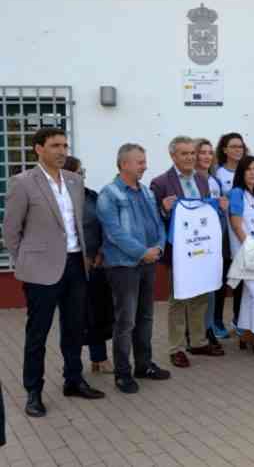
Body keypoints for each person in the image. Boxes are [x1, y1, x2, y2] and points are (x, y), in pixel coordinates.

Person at [3, 128, 106, 416]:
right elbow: (11, 231)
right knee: (38, 333)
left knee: (74, 327)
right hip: (40, 271)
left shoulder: (74, 180)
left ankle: (73, 380)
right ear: (38, 149)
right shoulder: (22, 183)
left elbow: (77, 224)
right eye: (54, 145)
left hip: (75, 265)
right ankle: (33, 392)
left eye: (64, 145)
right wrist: (25, 261)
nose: (62, 151)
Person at [98, 143, 170, 394]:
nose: (145, 165)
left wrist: (159, 248)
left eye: (144, 161)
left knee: (146, 317)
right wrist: (143, 252)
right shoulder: (110, 194)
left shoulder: (147, 193)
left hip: (148, 262)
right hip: (123, 266)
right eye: (140, 161)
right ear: (124, 164)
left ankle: (144, 365)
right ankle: (122, 373)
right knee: (125, 321)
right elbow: (114, 233)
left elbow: (158, 224)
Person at [150, 136, 225, 368]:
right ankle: (176, 347)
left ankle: (199, 341)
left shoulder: (203, 180)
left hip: (202, 248)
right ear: (173, 156)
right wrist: (163, 209)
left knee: (201, 295)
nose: (190, 158)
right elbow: (153, 218)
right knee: (179, 298)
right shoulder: (160, 183)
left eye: (192, 153)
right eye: (184, 154)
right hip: (178, 251)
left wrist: (219, 208)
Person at [63, 156, 114, 374]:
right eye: (77, 172)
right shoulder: (60, 200)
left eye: (82, 172)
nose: (82, 175)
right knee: (73, 317)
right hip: (70, 265)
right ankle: (71, 366)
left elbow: (104, 224)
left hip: (96, 264)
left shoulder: (92, 196)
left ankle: (99, 359)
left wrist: (101, 251)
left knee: (97, 313)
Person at [227, 155, 254, 356]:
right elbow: (236, 224)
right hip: (246, 253)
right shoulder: (237, 193)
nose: (253, 172)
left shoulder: (253, 195)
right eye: (248, 169)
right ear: (241, 173)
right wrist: (249, 246)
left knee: (249, 295)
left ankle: (245, 335)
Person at [213, 133, 249, 339]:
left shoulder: (247, 172)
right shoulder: (217, 174)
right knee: (222, 279)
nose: (238, 150)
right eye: (233, 146)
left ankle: (239, 319)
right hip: (224, 234)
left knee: (241, 279)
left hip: (243, 234)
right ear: (224, 150)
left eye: (240, 146)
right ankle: (217, 320)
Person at [194, 138, 228, 349]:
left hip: (216, 242)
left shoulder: (215, 181)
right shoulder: (191, 180)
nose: (206, 156)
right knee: (198, 290)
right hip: (198, 243)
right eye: (202, 152)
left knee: (213, 287)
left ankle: (208, 328)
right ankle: (196, 331)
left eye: (209, 153)